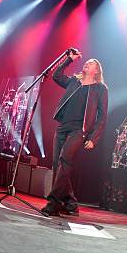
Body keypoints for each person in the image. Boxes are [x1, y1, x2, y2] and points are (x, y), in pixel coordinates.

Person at [41, 48, 108, 216]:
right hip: (63, 127)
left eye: (91, 63)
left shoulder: (100, 89)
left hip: (80, 130)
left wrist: (94, 138)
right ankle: (70, 203)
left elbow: (102, 116)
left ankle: (54, 203)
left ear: (97, 70)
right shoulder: (74, 82)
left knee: (64, 161)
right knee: (58, 164)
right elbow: (56, 76)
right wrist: (69, 60)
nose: (87, 63)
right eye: (87, 62)